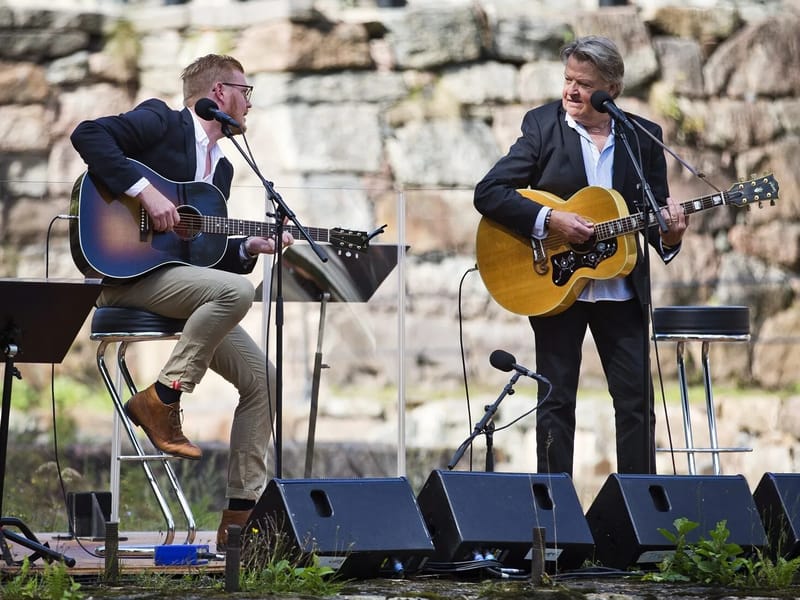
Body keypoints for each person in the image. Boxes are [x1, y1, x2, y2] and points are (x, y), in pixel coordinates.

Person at [70, 54, 293, 550]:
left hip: (176, 283)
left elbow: (201, 255)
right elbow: (88, 135)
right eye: (245, 92)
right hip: (125, 275)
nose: (249, 104)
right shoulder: (161, 121)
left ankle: (241, 520)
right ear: (219, 93)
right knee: (238, 292)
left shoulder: (223, 168)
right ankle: (163, 397)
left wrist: (246, 248)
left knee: (264, 380)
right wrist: (146, 193)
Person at [474, 36, 688, 477]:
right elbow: (489, 192)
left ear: (611, 90)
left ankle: (636, 509)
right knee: (556, 402)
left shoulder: (644, 138)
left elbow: (654, 221)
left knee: (636, 405)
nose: (571, 90)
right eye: (568, 79)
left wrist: (670, 235)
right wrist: (551, 220)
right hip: (554, 284)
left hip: (621, 292)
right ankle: (555, 510)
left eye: (584, 84)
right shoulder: (542, 126)